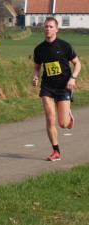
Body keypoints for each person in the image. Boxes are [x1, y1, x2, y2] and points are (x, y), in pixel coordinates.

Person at [32, 17, 81, 161]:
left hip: (64, 86)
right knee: (50, 118)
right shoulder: (39, 49)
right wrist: (35, 77)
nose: (48, 29)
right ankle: (56, 151)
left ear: (56, 29)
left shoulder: (65, 46)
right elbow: (37, 67)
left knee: (63, 124)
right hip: (47, 87)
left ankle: (68, 116)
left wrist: (73, 78)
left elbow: (77, 64)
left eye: (51, 27)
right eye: (46, 26)